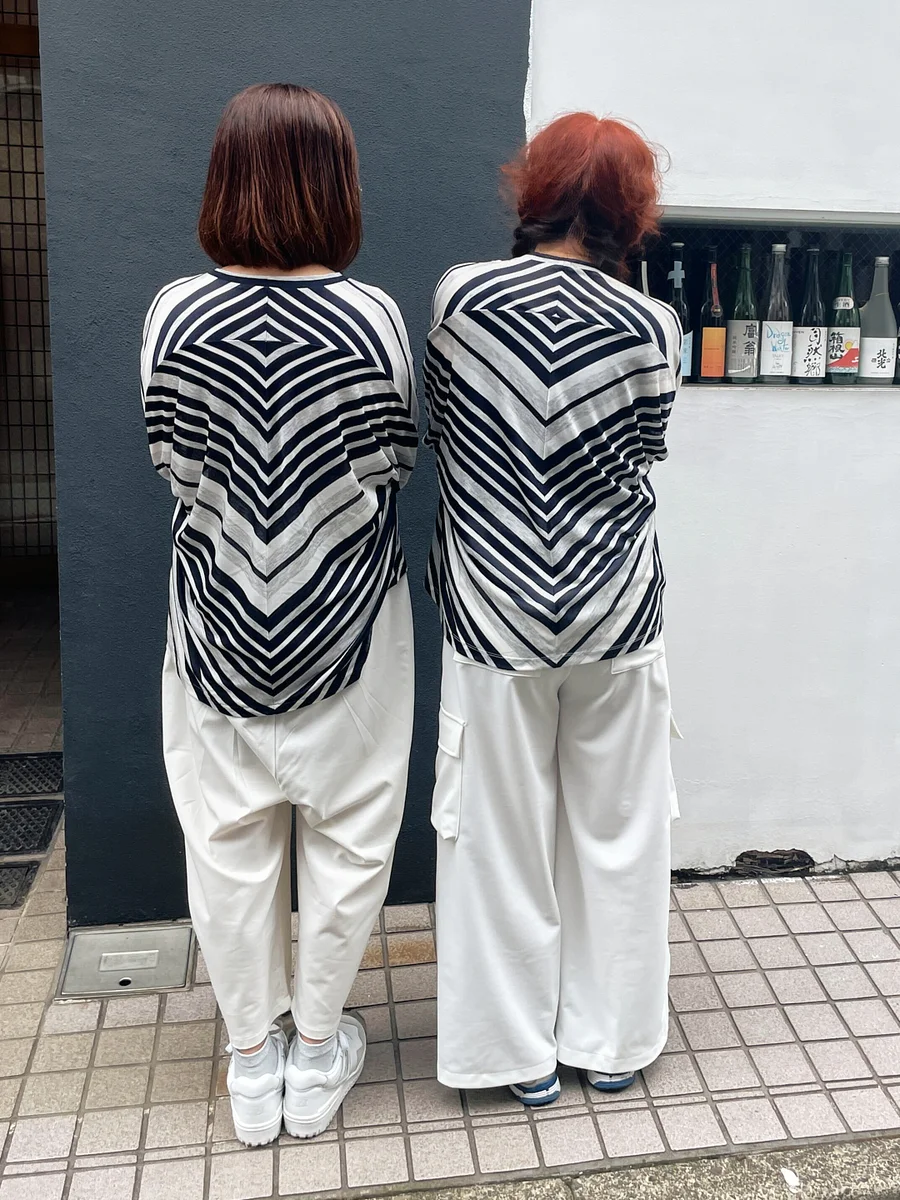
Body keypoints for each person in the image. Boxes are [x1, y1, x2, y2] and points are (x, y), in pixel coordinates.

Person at [140, 84, 418, 1145]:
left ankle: (251, 1066)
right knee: (351, 841)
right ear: (335, 183)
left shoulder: (172, 312)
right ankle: (318, 1048)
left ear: (226, 178)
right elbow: (394, 461)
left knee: (224, 842)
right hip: (349, 618)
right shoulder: (372, 317)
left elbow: (171, 463)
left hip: (212, 616)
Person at [424, 113, 681, 1104]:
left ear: (533, 189)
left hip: (494, 612)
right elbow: (648, 450)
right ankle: (612, 1043)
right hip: (616, 610)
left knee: (496, 840)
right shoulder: (651, 324)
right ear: (630, 208)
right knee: (618, 835)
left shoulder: (460, 298)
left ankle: (514, 1059)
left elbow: (445, 427)